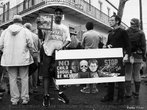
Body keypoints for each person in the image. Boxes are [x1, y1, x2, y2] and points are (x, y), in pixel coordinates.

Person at [38, 8, 71, 107]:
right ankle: (46, 95)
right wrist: (39, 27)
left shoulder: (65, 27)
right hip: (48, 52)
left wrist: (62, 46)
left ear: (62, 15)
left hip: (59, 53)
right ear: (54, 15)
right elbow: (41, 36)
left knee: (60, 74)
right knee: (46, 75)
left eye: (59, 13)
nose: (58, 15)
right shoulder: (48, 23)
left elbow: (68, 40)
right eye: (56, 13)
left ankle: (60, 94)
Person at [0, 15, 35, 105]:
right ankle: (25, 99)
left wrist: (6, 52)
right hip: (23, 58)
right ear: (21, 21)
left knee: (12, 79)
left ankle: (14, 99)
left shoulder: (5, 32)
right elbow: (31, 45)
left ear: (13, 21)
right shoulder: (25, 31)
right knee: (24, 78)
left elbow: (1, 46)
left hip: (9, 59)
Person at [101, 14, 131, 103]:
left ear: (117, 21)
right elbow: (109, 44)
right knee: (110, 77)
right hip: (111, 58)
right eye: (109, 20)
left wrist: (126, 55)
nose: (110, 22)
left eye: (112, 20)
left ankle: (120, 98)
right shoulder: (110, 33)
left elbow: (128, 45)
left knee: (120, 78)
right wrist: (106, 46)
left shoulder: (123, 32)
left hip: (120, 57)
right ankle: (109, 96)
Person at [125, 18, 146, 99]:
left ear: (130, 23)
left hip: (128, 54)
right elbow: (144, 45)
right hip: (138, 55)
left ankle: (128, 93)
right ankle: (137, 93)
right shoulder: (141, 33)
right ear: (138, 24)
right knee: (137, 73)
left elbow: (125, 43)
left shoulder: (126, 31)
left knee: (128, 73)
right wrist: (144, 55)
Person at [80, 22, 101, 93]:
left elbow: (82, 44)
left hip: (87, 54)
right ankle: (94, 88)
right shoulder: (98, 34)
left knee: (87, 70)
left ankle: (87, 87)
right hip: (96, 53)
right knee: (94, 69)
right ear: (93, 27)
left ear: (86, 27)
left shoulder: (85, 34)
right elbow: (100, 42)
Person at [24, 23, 41, 94]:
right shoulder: (36, 36)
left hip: (28, 55)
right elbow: (40, 47)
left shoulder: (24, 35)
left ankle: (30, 89)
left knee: (28, 72)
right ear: (30, 28)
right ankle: (35, 87)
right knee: (35, 71)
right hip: (35, 55)